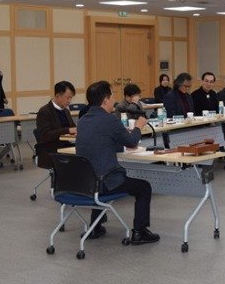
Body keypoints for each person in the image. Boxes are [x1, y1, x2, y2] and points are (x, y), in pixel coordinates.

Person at [76, 80, 159, 245]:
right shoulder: (109, 120)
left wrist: (120, 138)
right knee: (144, 187)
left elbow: (101, 141)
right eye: (112, 95)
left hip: (86, 182)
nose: (114, 99)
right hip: (105, 182)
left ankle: (95, 227)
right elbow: (132, 142)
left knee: (97, 171)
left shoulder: (83, 120)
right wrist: (138, 127)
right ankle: (139, 232)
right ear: (105, 100)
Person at [35, 81, 77, 167]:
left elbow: (73, 128)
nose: (70, 101)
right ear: (58, 96)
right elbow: (46, 135)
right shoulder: (44, 111)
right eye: (68, 98)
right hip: (50, 149)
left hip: (66, 146)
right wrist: (68, 130)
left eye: (71, 98)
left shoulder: (66, 111)